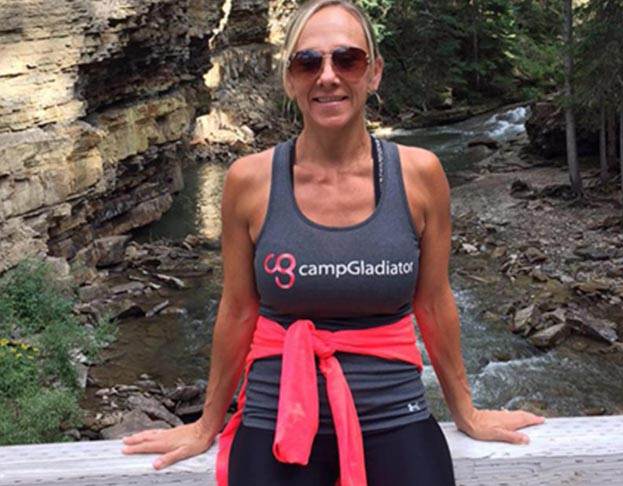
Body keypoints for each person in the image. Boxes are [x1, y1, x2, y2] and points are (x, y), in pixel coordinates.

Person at [122, 1, 545, 484]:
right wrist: (206, 425)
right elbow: (238, 311)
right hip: (274, 420)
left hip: (395, 415)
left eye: (348, 60)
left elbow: (433, 303)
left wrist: (466, 411)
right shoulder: (249, 181)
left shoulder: (420, 174)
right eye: (308, 62)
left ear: (375, 73)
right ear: (289, 79)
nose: (328, 76)